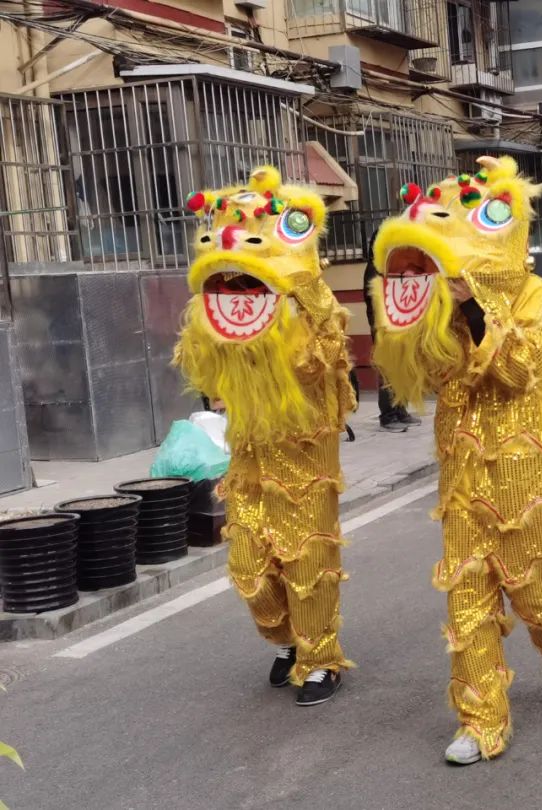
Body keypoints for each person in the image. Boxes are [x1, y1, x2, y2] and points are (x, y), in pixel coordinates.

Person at [371, 157, 542, 764]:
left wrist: (475, 309)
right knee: (466, 598)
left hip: (524, 472)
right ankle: (481, 721)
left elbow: (518, 372)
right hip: (461, 473)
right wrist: (417, 317)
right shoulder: (440, 300)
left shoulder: (541, 301)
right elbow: (428, 376)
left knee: (535, 594)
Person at [175, 166, 354, 707]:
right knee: (249, 567)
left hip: (305, 455)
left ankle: (320, 657)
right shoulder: (229, 319)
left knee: (305, 560)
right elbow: (204, 372)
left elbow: (326, 352)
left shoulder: (311, 316)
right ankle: (286, 640)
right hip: (250, 458)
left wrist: (299, 282)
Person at [364, 230, 420, 433]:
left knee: (401, 369)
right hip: (383, 328)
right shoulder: (376, 269)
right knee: (387, 370)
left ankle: (401, 410)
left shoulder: (391, 267)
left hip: (398, 327)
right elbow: (377, 302)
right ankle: (388, 415)